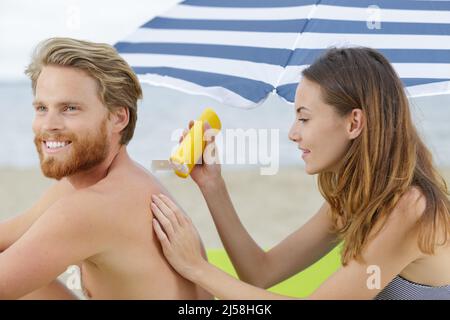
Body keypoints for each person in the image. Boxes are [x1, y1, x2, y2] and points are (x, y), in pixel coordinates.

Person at [151, 47, 450, 300]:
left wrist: (196, 267)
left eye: (304, 118)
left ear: (354, 123)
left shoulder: (411, 208)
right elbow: (259, 273)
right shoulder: (353, 199)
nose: (293, 134)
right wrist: (212, 184)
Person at [0, 37, 211, 300]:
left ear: (118, 118)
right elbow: (8, 235)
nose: (48, 125)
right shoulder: (104, 184)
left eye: (70, 108)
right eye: (42, 108)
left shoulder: (95, 206)